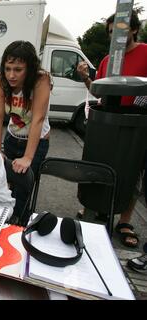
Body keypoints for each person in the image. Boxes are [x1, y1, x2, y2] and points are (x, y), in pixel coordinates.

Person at [77, 11, 147, 248]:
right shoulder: (108, 60)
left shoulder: (146, 53)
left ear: (134, 30)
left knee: (132, 171)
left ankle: (124, 221)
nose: (114, 35)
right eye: (111, 32)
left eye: (119, 30)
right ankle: (94, 207)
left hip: (136, 126)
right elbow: (100, 92)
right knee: (99, 165)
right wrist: (87, 79)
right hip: (108, 125)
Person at [0, 40, 51, 178]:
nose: (11, 75)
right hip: (12, 138)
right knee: (5, 184)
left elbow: (38, 119)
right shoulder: (2, 80)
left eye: (18, 69)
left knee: (23, 188)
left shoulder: (41, 79)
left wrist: (28, 157)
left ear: (30, 69)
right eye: (7, 68)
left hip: (36, 143)